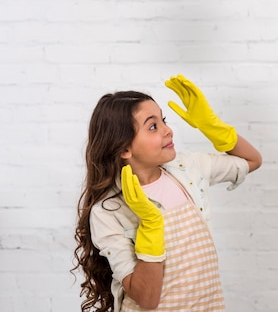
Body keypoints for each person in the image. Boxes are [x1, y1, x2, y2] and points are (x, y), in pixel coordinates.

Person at [72, 74, 262, 312]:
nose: (168, 131)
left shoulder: (187, 168)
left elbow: (251, 161)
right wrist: (150, 224)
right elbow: (147, 299)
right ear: (124, 148)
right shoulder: (109, 211)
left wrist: (211, 126)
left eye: (164, 120)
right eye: (153, 126)